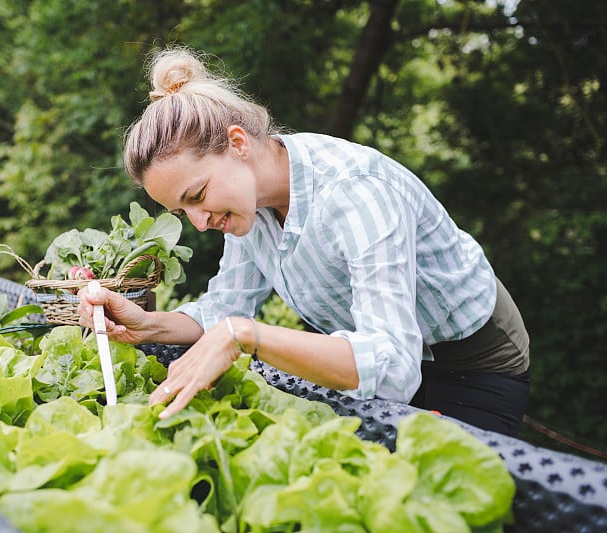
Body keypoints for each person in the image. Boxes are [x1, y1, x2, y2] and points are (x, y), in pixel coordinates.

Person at [76, 46, 530, 437]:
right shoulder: (246, 209)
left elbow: (392, 368)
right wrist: (144, 325)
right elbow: (224, 311)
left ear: (238, 143)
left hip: (470, 353)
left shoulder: (356, 192)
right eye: (182, 211)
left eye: (197, 196)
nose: (198, 222)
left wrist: (245, 336)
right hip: (378, 349)